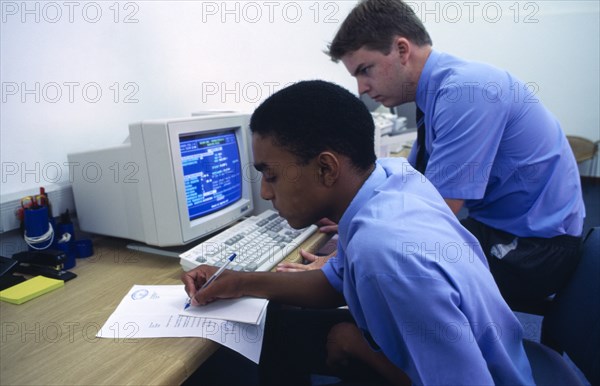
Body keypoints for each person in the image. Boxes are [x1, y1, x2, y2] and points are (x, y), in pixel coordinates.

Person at [182, 80, 534, 385]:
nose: (265, 193)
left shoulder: (382, 251)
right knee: (279, 326)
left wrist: (358, 347)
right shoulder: (391, 177)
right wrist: (240, 282)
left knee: (281, 341)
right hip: (486, 355)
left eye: (271, 175)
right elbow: (333, 283)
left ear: (325, 168)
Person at [288, 0, 585, 308]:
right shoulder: (439, 92)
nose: (362, 88)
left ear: (402, 50)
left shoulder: (467, 90)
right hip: (505, 233)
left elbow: (432, 216)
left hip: (536, 253)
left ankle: (368, 349)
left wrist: (340, 262)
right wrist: (357, 217)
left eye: (365, 70)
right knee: (375, 249)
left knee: (382, 266)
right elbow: (413, 184)